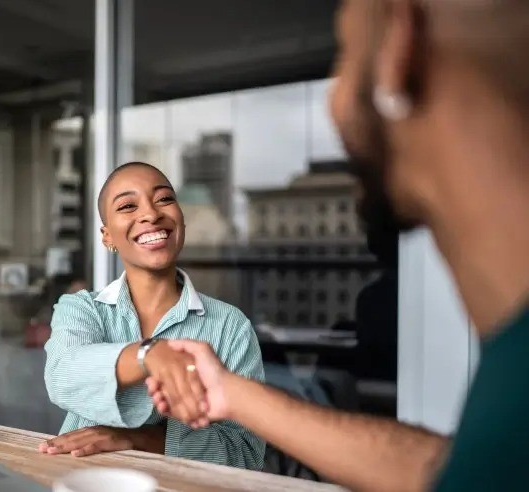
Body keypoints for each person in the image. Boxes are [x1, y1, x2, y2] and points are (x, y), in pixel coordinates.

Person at [147, 0, 529, 490]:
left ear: (398, 45)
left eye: (345, 52)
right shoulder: (511, 405)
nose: (334, 101)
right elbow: (445, 468)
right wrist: (231, 395)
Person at [40, 162, 266, 470]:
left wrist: (141, 438)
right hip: (80, 478)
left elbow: (245, 456)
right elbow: (62, 375)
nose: (151, 214)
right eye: (128, 205)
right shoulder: (83, 308)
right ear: (107, 237)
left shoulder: (230, 326)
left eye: (164, 199)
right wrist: (150, 355)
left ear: (181, 220)